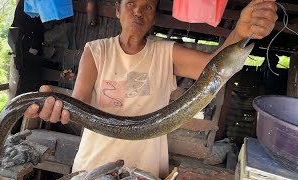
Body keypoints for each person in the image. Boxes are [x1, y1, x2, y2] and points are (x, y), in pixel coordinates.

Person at [24, 0, 277, 178]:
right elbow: (79, 105)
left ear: (153, 17)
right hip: (93, 166)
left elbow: (214, 68)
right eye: (131, 4)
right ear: (117, 9)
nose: (138, 12)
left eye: (147, 7)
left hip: (146, 170)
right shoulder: (96, 50)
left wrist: (240, 32)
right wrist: (58, 109)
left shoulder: (165, 53)